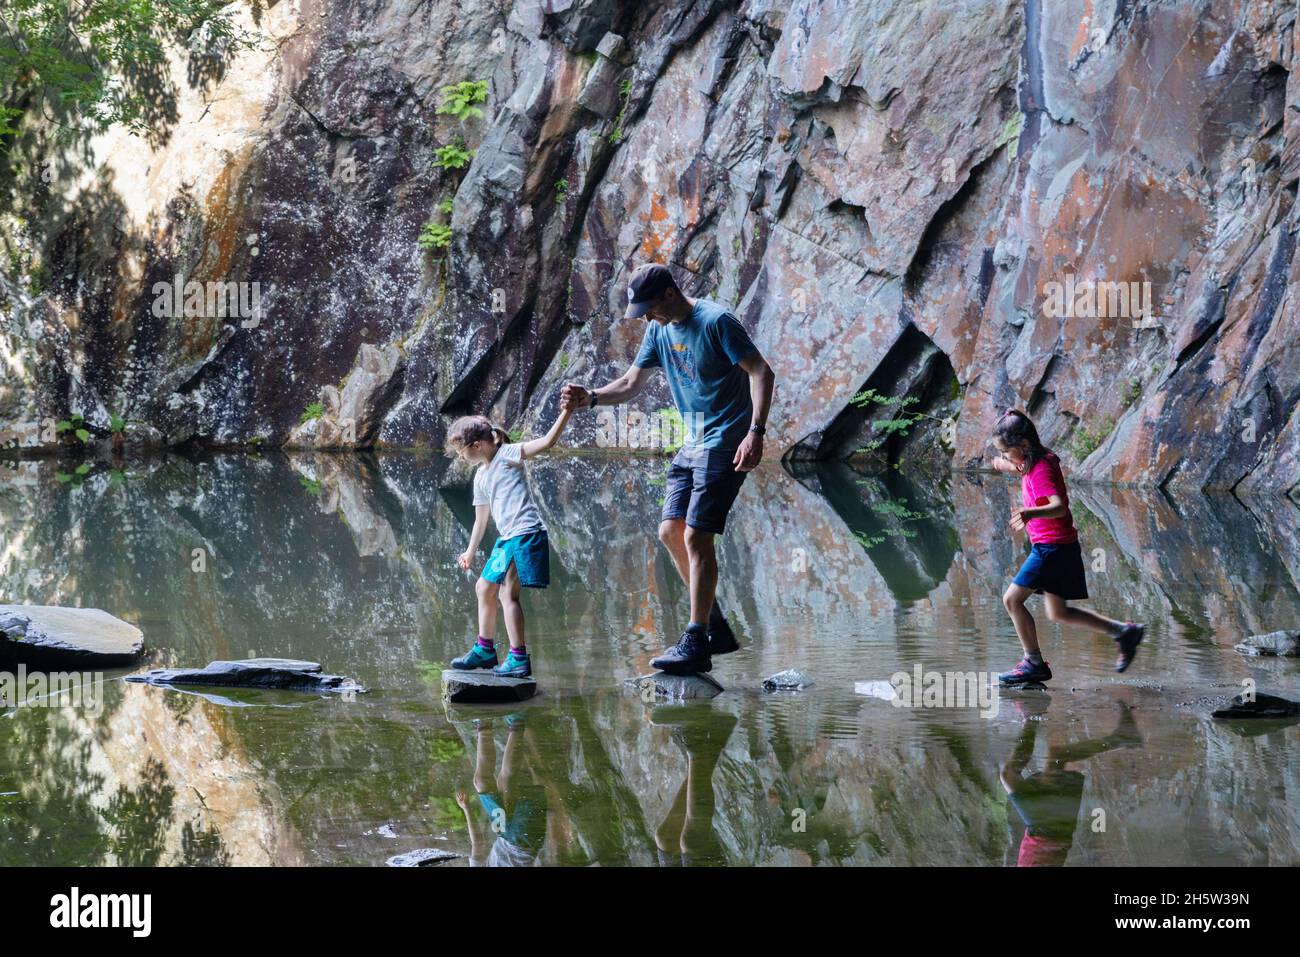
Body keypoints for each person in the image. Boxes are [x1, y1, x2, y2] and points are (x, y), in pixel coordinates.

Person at [561, 263, 775, 675]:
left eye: (649, 308)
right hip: (692, 443)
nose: (645, 317)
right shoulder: (658, 330)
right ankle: (714, 626)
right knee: (669, 531)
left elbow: (761, 371)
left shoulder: (716, 322)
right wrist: (589, 398)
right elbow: (629, 384)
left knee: (696, 535)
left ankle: (696, 640)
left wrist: (756, 432)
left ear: (670, 294)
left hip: (727, 440)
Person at [990, 408, 1144, 683]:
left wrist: (1029, 513)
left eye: (1005, 452)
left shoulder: (1040, 470)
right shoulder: (1038, 458)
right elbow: (1022, 467)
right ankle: (1124, 632)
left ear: (1022, 446)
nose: (1005, 457)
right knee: (1058, 612)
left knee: (1011, 600)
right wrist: (1003, 464)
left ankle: (1033, 663)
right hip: (1060, 546)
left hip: (1051, 548)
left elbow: (1059, 507)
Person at [445, 405, 572, 678]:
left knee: (506, 594)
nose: (459, 456)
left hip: (525, 533)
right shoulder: (480, 476)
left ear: (477, 445)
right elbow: (480, 521)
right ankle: (485, 650)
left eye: (461, 450)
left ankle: (518, 658)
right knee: (483, 587)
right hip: (507, 538)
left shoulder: (508, 455)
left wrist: (567, 411)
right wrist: (469, 552)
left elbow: (548, 442)